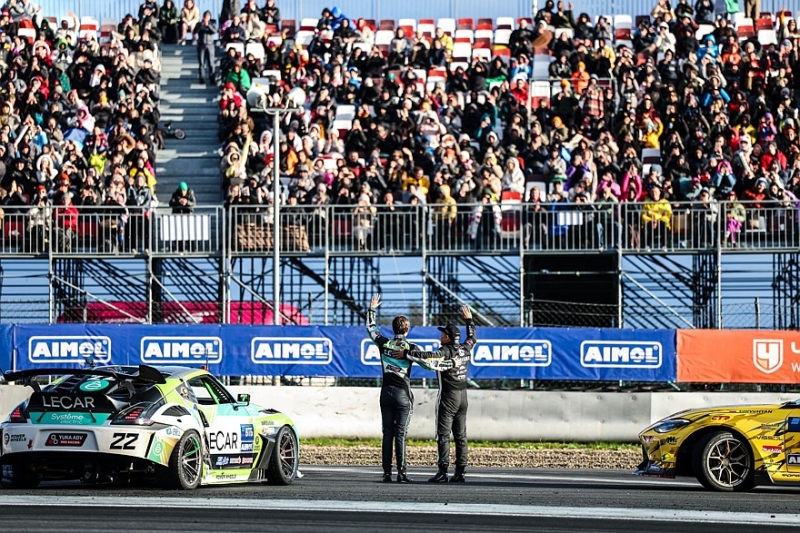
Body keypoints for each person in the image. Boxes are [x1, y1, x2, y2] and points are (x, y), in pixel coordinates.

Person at [366, 293, 453, 483]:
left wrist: (372, 309)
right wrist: (448, 364)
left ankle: (386, 473)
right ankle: (402, 473)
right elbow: (428, 363)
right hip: (402, 395)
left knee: (387, 434)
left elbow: (371, 329)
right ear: (407, 329)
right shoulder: (411, 347)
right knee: (400, 434)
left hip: (385, 393)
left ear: (393, 328)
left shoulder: (384, 343)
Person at [405, 305, 477, 483]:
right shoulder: (465, 348)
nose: (440, 336)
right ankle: (460, 472)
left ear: (447, 337)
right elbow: (472, 338)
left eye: (442, 334)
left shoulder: (445, 351)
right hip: (463, 397)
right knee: (461, 436)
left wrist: (407, 353)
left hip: (448, 397)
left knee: (443, 435)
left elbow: (428, 356)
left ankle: (442, 471)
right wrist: (469, 320)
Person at [194, 10, 217, 84]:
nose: (206, 18)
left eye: (207, 16)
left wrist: (208, 25)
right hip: (201, 45)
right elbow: (195, 31)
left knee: (211, 63)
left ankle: (212, 78)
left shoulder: (213, 23)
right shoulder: (199, 24)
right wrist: (201, 25)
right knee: (201, 63)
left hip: (210, 45)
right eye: (205, 16)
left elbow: (214, 31)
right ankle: (202, 78)